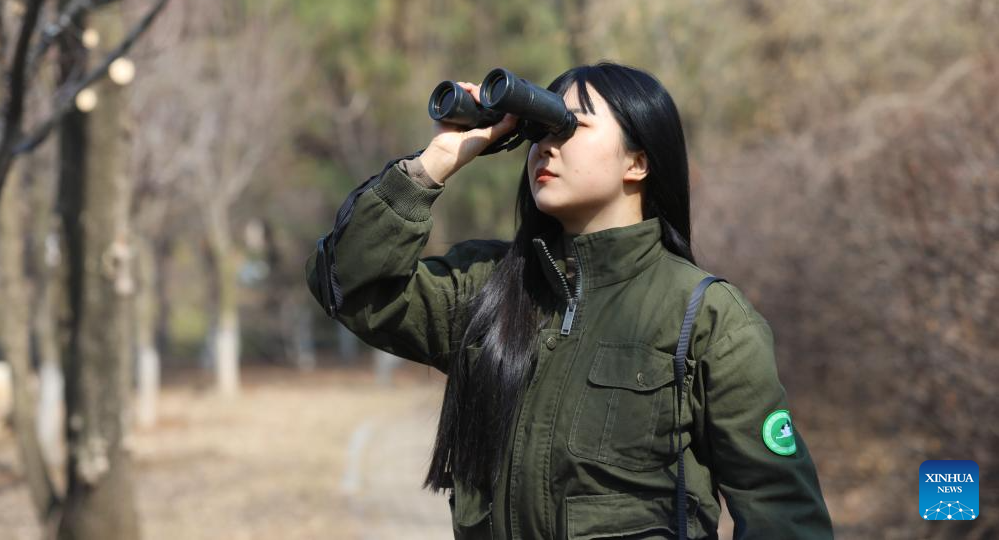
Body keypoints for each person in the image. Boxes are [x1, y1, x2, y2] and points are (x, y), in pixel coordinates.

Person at [305, 61, 833, 539]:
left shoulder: (705, 319)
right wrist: (432, 165)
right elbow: (350, 285)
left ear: (638, 162)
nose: (545, 146)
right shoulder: (486, 287)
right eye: (538, 130)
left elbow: (782, 513)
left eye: (568, 126)